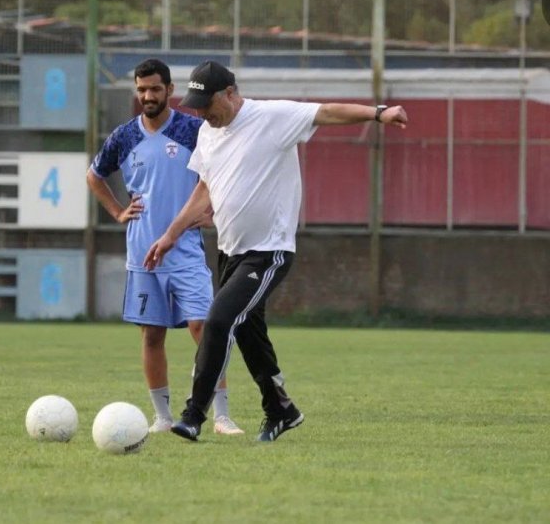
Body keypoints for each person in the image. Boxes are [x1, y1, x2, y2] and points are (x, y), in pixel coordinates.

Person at [144, 60, 408, 442]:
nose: (202, 112)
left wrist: (380, 113)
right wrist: (171, 234)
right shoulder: (207, 133)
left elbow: (328, 112)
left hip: (269, 252)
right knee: (251, 336)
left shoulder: (271, 116)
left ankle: (193, 414)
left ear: (231, 94)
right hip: (231, 252)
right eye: (197, 104)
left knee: (218, 321)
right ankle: (281, 409)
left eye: (208, 103)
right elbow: (204, 189)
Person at [87, 58, 244, 435]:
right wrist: (117, 211)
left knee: (204, 328)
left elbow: (224, 170)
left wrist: (213, 211)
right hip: (142, 254)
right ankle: (162, 417)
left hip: (186, 250)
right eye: (141, 90)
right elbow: (94, 176)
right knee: (152, 334)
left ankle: (220, 415)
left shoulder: (194, 130)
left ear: (170, 90)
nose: (148, 96)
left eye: (155, 89)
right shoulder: (124, 136)